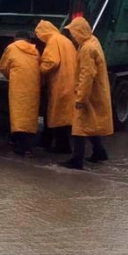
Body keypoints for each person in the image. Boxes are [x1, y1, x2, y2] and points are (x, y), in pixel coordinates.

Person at [62, 17, 113, 169]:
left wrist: (81, 98)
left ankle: (77, 160)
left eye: (72, 32)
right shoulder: (92, 41)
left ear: (79, 32)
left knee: (79, 126)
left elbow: (87, 75)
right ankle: (99, 152)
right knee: (90, 123)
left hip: (88, 93)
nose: (71, 36)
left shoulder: (86, 49)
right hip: (96, 91)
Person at [35, 19, 78, 154]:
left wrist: (39, 70)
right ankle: (49, 142)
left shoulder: (53, 41)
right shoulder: (66, 40)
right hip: (70, 81)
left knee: (58, 115)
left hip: (60, 82)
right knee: (62, 114)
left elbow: (52, 62)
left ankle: (62, 147)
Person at [0, 32, 41, 156]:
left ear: (15, 39)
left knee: (18, 114)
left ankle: (20, 146)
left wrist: (11, 76)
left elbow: (3, 66)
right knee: (30, 115)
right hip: (33, 86)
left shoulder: (11, 48)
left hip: (18, 86)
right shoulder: (35, 50)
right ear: (29, 39)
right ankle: (28, 146)